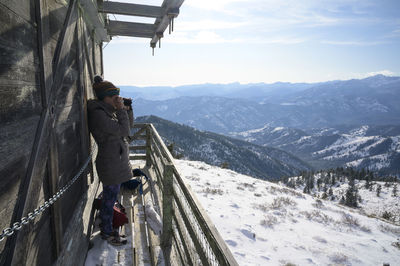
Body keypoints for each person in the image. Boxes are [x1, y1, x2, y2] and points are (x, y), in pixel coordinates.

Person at [87, 76, 133, 246]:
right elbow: (124, 129)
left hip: (115, 162)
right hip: (110, 164)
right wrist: (121, 110)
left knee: (111, 197)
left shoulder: (107, 112)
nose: (117, 100)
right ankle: (107, 232)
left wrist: (127, 110)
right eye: (114, 97)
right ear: (105, 97)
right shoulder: (99, 115)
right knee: (109, 200)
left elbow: (128, 128)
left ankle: (108, 226)